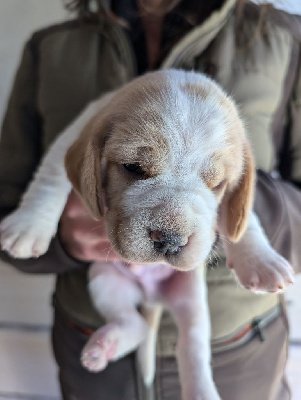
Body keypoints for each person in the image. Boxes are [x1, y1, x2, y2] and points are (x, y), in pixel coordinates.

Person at [0, 0, 301, 399]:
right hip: (89, 340)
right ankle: (125, 325)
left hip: (241, 351)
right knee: (113, 293)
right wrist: (61, 237)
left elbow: (243, 187)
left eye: (213, 183)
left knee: (194, 321)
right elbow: (15, 198)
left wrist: (241, 230)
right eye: (136, 167)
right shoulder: (51, 47)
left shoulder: (286, 38)